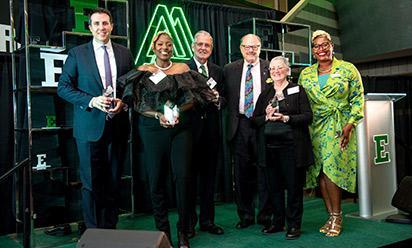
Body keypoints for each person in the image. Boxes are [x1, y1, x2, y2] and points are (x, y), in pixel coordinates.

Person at [119, 31, 215, 248]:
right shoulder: (143, 71)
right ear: (153, 47)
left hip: (181, 129)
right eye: (161, 44)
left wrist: (177, 112)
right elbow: (137, 103)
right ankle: (163, 232)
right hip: (152, 130)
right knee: (156, 180)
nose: (165, 48)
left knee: (183, 179)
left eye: (169, 45)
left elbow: (193, 98)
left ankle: (183, 231)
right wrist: (158, 115)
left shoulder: (182, 69)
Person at [57, 8, 134, 229]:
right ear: (90, 27)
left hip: (117, 127)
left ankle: (110, 231)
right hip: (89, 128)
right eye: (97, 24)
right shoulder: (77, 53)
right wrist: (92, 101)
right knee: (91, 184)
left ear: (112, 26)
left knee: (113, 182)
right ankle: (93, 233)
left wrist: (124, 102)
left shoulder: (124, 53)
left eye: (105, 23)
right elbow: (63, 88)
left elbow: (130, 87)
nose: (102, 27)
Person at [298, 30, 364, 237]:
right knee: (320, 171)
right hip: (314, 127)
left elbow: (357, 98)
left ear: (332, 46)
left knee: (332, 170)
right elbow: (300, 102)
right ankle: (331, 215)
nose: (321, 49)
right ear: (313, 51)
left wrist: (351, 124)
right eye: (316, 46)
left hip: (339, 127)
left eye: (324, 44)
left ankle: (337, 215)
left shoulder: (347, 69)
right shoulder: (305, 74)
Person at [253, 56, 313, 240]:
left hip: (292, 148)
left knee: (294, 188)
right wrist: (266, 117)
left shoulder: (298, 90)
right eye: (272, 68)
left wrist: (286, 118)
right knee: (274, 188)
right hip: (269, 148)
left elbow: (307, 116)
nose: (276, 71)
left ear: (287, 70)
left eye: (280, 68)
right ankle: (278, 223)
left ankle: (294, 225)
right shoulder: (265, 94)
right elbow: (254, 120)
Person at [223, 34, 273, 230]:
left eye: (255, 47)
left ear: (260, 48)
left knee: (265, 172)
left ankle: (265, 215)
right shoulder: (229, 69)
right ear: (241, 48)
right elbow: (225, 97)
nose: (251, 50)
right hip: (240, 125)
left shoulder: (271, 67)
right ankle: (245, 216)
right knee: (242, 174)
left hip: (263, 125)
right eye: (247, 47)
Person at [186, 30, 224, 237]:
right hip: (189, 133)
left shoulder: (218, 71)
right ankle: (189, 223)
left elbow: (224, 99)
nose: (203, 48)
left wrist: (218, 99)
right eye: (199, 44)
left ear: (211, 49)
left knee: (209, 180)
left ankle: (207, 221)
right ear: (193, 46)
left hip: (211, 133)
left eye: (207, 45)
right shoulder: (183, 68)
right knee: (189, 179)